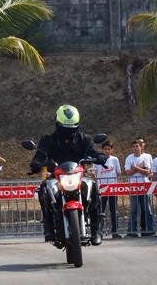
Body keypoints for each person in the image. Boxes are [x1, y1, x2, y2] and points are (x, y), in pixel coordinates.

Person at [29, 104, 107, 246]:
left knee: (94, 188)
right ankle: (48, 227)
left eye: (71, 128)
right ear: (58, 124)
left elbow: (93, 151)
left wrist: (100, 156)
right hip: (57, 177)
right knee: (44, 189)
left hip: (78, 175)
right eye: (65, 128)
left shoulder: (84, 138)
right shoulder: (48, 139)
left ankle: (97, 231)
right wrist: (36, 163)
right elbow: (40, 154)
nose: (68, 131)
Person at [124, 139, 154, 236]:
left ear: (141, 147)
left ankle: (149, 230)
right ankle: (132, 231)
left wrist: (135, 168)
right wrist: (140, 168)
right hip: (133, 187)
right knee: (133, 210)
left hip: (145, 186)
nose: (136, 148)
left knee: (147, 209)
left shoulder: (145, 157)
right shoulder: (129, 158)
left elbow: (147, 172)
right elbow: (128, 173)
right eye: (134, 146)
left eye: (137, 146)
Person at [93, 141, 122, 238]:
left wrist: (115, 184)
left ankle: (115, 231)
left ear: (112, 150)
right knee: (101, 211)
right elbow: (94, 173)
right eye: (105, 149)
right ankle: (99, 232)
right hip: (102, 189)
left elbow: (118, 173)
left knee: (113, 210)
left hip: (113, 189)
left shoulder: (115, 160)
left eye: (109, 149)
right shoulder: (97, 160)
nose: (107, 151)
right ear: (102, 150)